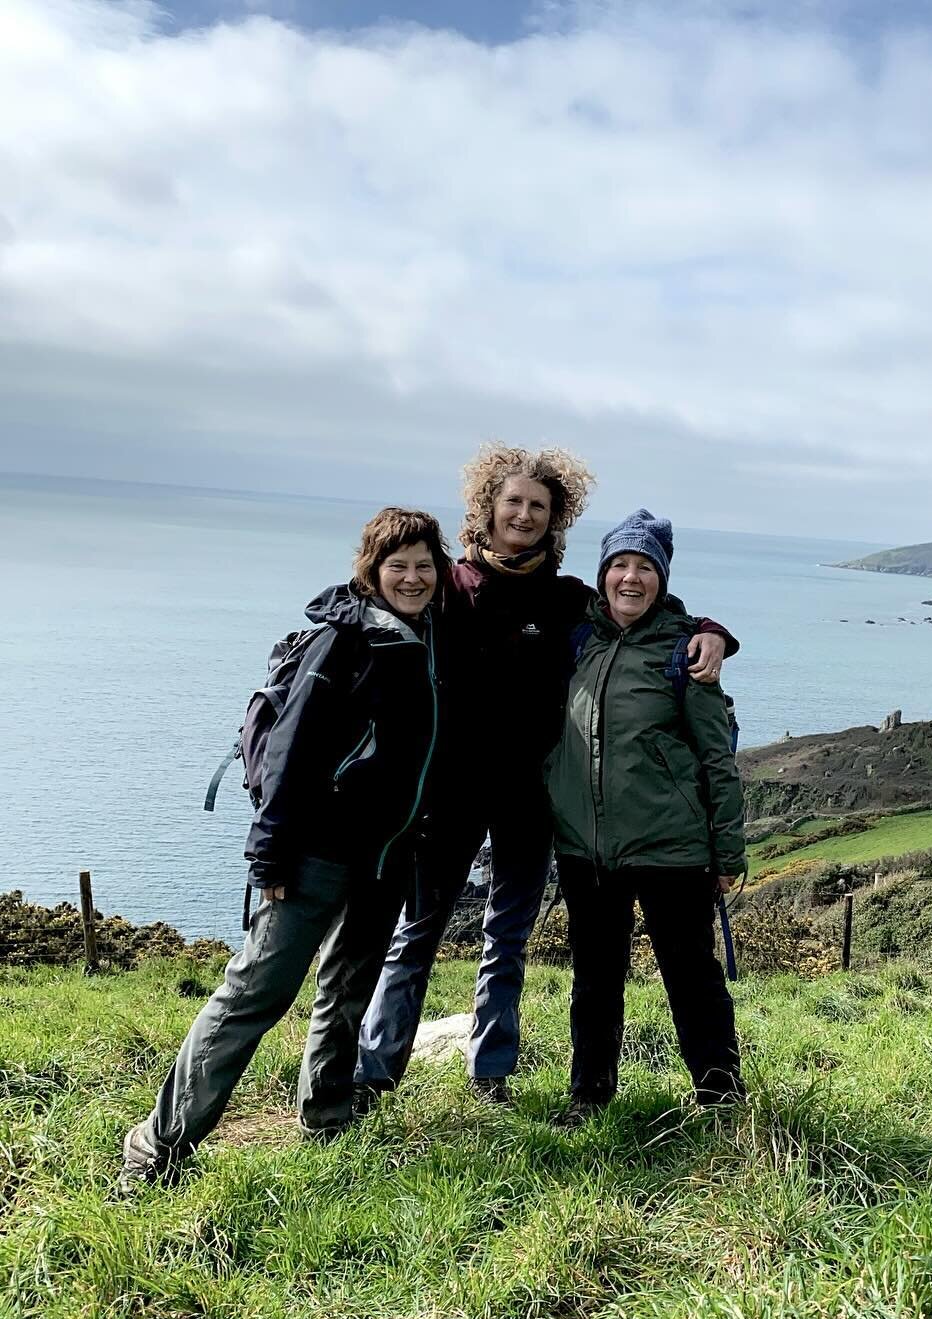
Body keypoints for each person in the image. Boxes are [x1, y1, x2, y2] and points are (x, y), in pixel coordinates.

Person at [353, 447, 735, 1107]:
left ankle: (490, 1074)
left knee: (507, 935)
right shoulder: (447, 586)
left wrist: (712, 632)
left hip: (531, 799)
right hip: (448, 795)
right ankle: (373, 1074)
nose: (525, 514)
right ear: (487, 509)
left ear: (554, 518)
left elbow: (643, 615)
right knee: (417, 932)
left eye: (539, 505)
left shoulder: (565, 601)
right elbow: (381, 604)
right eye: (514, 502)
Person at [120, 507, 450, 1186]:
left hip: (386, 859)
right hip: (315, 854)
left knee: (348, 991)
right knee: (254, 996)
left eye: (424, 565)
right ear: (372, 570)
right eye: (398, 566)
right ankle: (156, 1151)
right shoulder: (345, 643)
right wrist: (268, 852)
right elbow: (291, 753)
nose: (412, 578)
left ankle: (327, 1118)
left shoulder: (427, 639)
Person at [545, 509, 747, 1121]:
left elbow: (717, 757)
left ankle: (719, 1095)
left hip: (672, 848)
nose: (630, 579)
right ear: (603, 573)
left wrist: (727, 853)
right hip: (587, 847)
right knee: (594, 979)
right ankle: (589, 1095)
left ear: (661, 577)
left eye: (644, 567)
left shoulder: (686, 650)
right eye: (619, 565)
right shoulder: (577, 637)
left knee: (690, 977)